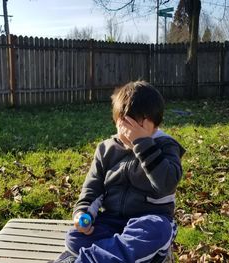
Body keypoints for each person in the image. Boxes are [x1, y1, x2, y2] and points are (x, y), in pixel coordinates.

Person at [52, 80, 185, 263]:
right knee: (75, 237)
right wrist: (83, 213)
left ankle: (92, 259)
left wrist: (143, 143)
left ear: (153, 124)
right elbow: (93, 188)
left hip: (148, 221)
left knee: (157, 231)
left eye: (133, 126)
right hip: (112, 221)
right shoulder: (107, 149)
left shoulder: (166, 146)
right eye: (122, 124)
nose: (126, 132)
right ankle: (123, 255)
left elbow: (167, 184)